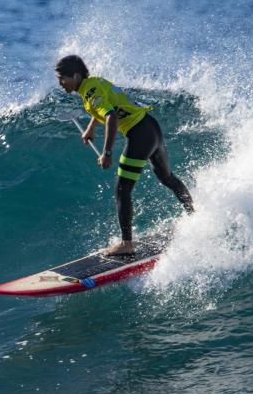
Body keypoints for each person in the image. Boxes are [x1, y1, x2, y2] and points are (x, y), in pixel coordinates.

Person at [55, 55, 195, 256]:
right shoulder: (96, 82)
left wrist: (107, 153)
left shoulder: (90, 91)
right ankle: (193, 214)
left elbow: (110, 116)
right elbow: (108, 105)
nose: (61, 84)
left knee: (122, 189)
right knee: (167, 178)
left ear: (76, 76)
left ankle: (127, 244)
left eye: (63, 79)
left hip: (139, 134)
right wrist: (91, 127)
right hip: (151, 126)